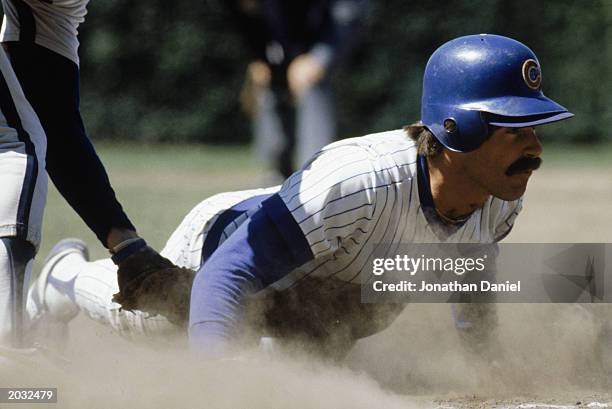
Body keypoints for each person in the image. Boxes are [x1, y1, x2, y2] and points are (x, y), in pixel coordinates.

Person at [27, 34, 573, 359]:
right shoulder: (358, 180)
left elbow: (468, 275)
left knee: (356, 319)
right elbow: (228, 276)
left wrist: (489, 366)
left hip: (319, 283)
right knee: (172, 321)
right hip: (225, 250)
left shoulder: (499, 194)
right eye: (516, 130)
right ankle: (65, 278)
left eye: (535, 129)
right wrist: (216, 387)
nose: (534, 148)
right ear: (458, 130)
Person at [0, 0, 187, 350]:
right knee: (17, 144)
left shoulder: (55, 10)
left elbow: (54, 121)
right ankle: (8, 348)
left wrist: (128, 248)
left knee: (25, 136)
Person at [230, 0, 367, 179]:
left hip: (338, 22)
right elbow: (250, 21)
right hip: (295, 35)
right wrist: (260, 60)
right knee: (272, 81)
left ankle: (316, 174)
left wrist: (316, 59)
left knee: (309, 81)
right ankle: (278, 174)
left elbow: (346, 16)